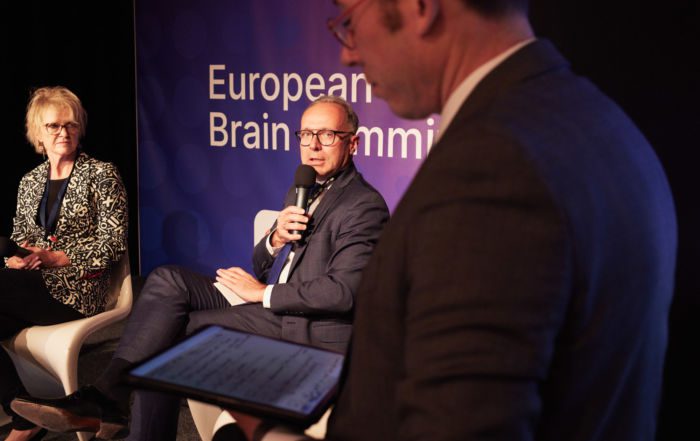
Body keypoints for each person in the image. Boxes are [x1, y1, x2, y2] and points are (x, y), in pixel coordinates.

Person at [217, 1, 678, 440]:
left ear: (420, 7)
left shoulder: (490, 170)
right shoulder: (597, 119)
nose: (347, 54)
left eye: (350, 21)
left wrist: (263, 433)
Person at [11, 95, 390, 440]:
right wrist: (275, 240)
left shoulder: (364, 206)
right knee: (168, 280)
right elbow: (261, 264)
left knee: (171, 334)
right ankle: (110, 396)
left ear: (353, 143)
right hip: (268, 305)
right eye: (306, 134)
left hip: (308, 329)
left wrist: (263, 293)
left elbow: (344, 293)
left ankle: (116, 408)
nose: (313, 145)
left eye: (327, 135)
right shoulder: (300, 188)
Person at [0, 86, 128, 441]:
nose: (63, 132)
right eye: (54, 126)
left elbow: (113, 243)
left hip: (78, 288)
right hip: (30, 285)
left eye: (70, 125)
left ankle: (26, 422)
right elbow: (21, 235)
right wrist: (17, 257)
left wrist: (54, 257)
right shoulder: (30, 182)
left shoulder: (101, 174)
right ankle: (23, 416)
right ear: (38, 133)